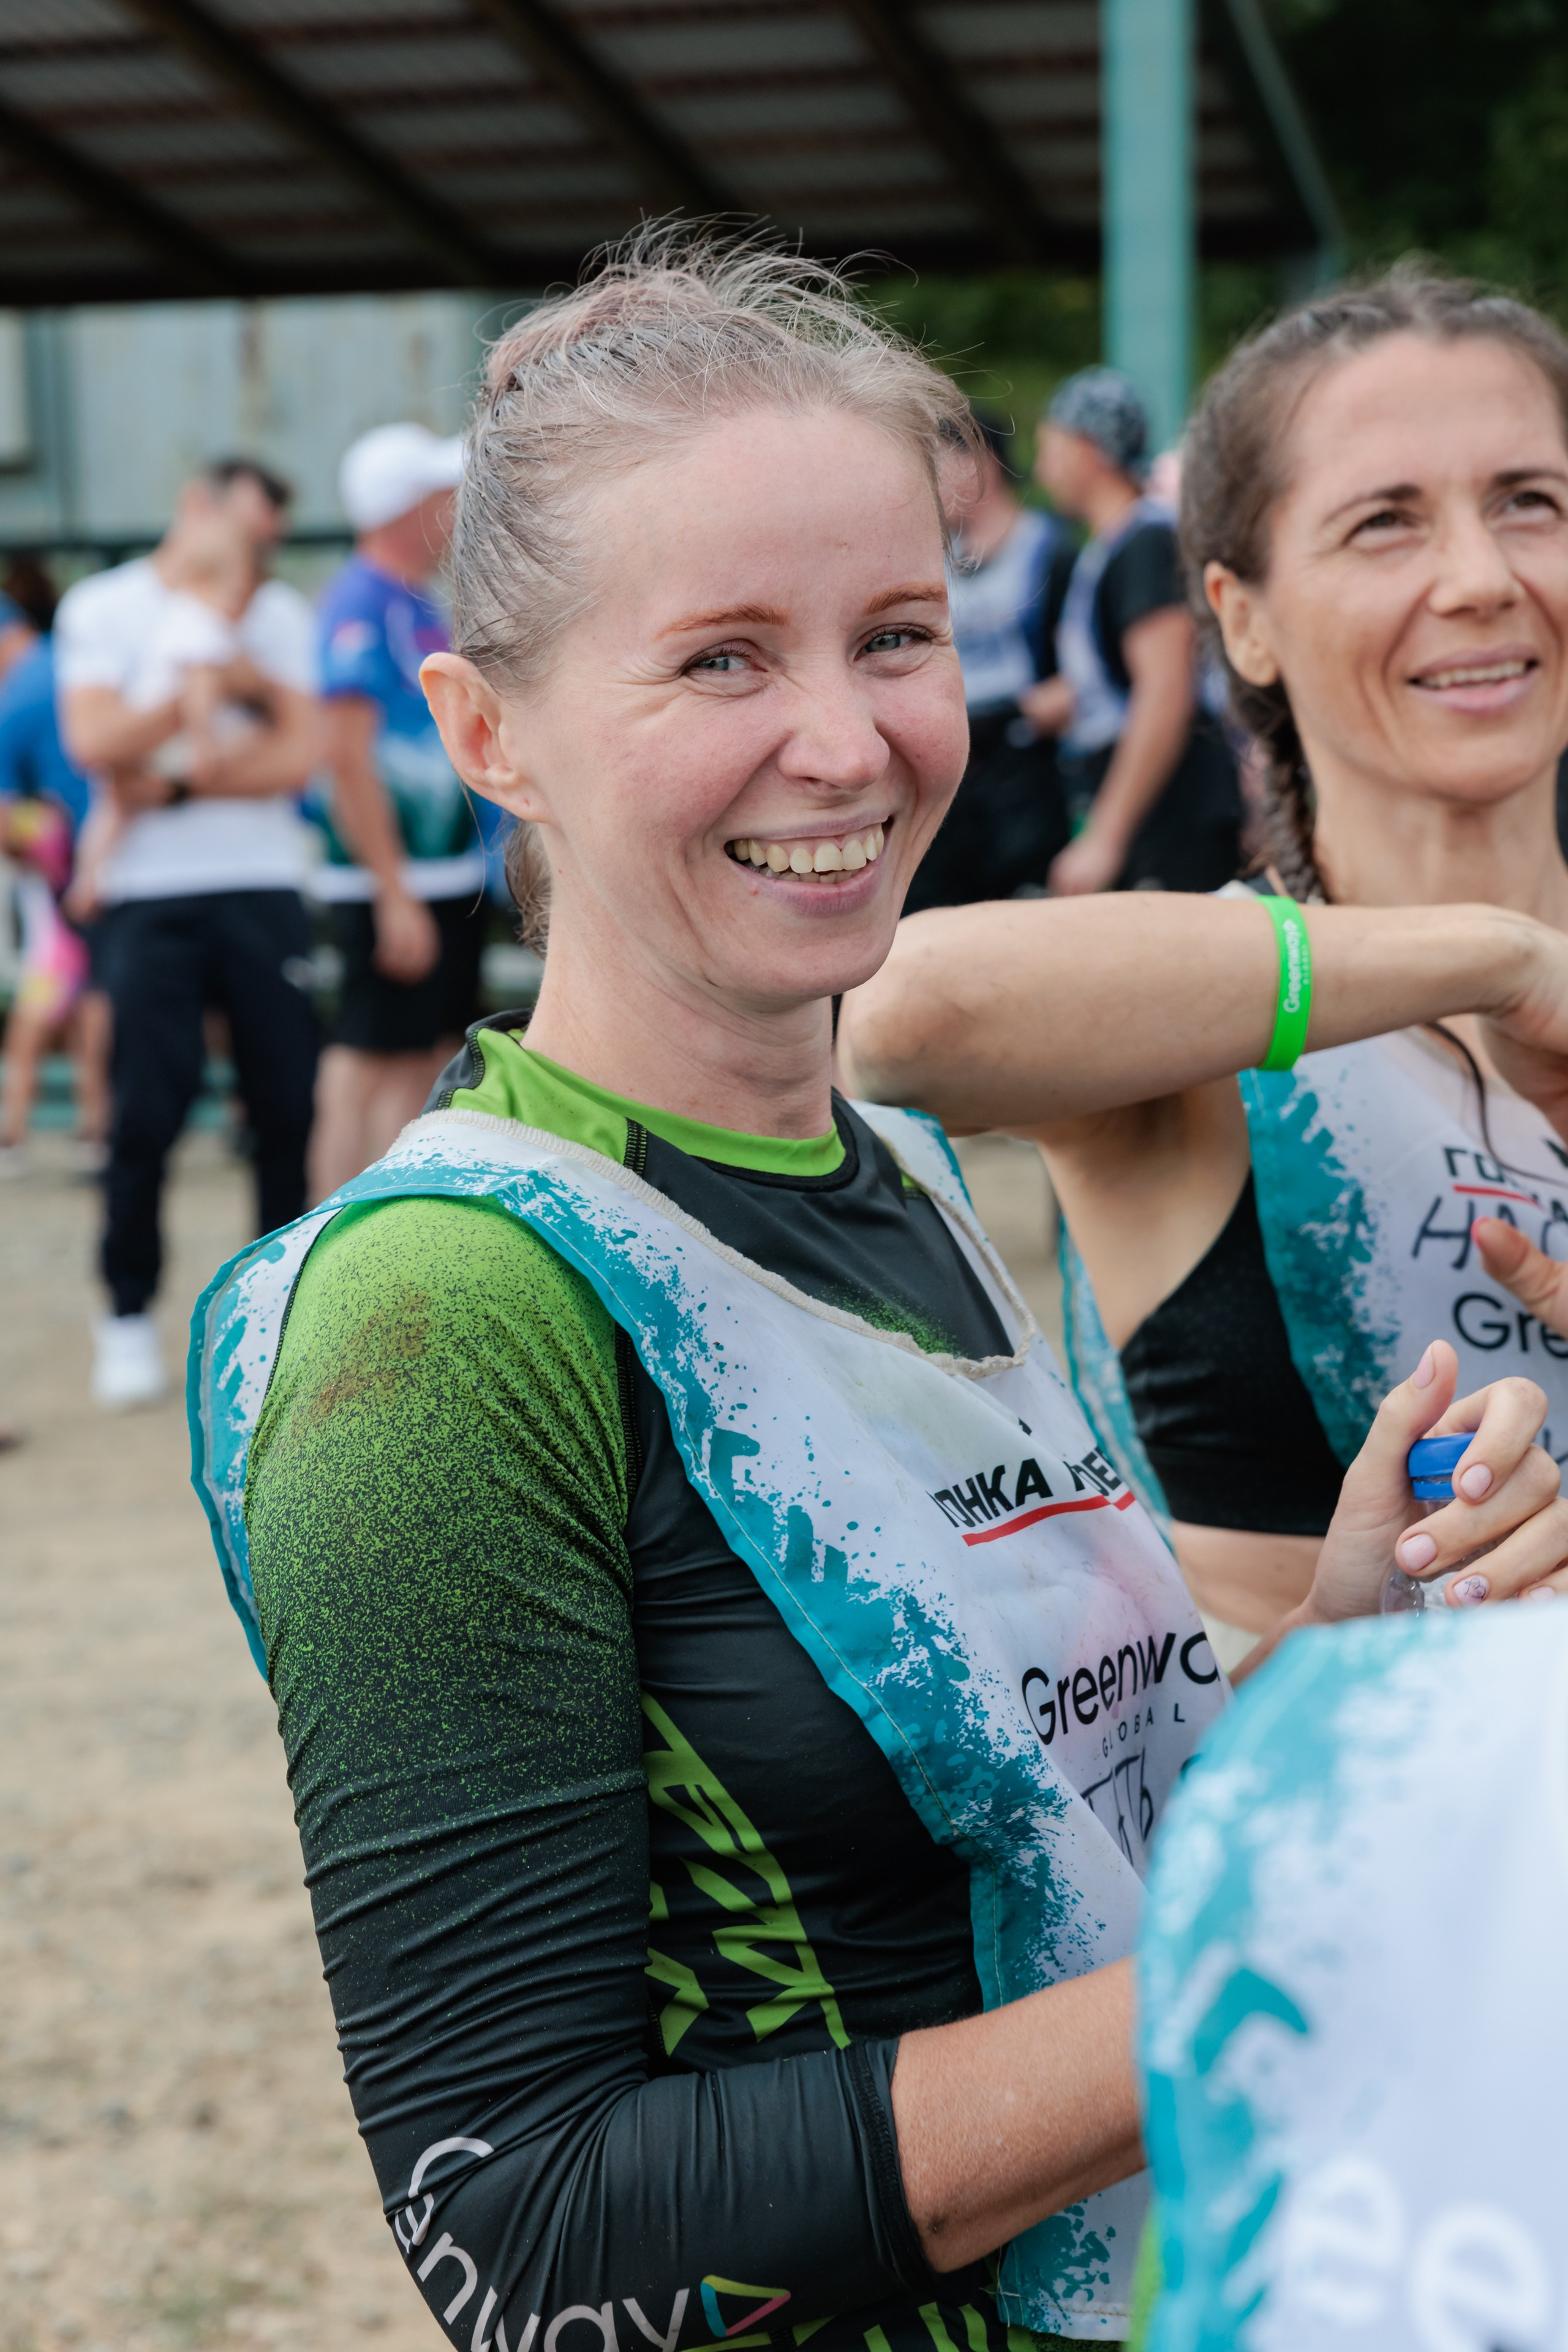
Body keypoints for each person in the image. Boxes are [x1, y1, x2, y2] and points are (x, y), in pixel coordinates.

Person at [187, 236, 1568, 2352]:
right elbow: (530, 2236)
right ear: (486, 730)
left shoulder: (900, 1174)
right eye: (721, 660)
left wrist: (1350, 1651)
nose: (844, 742)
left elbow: (1062, 1843)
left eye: (897, 636)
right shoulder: (440, 1320)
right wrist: (1340, 1914)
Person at [838, 270, 1568, 1668]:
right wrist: (1496, 959)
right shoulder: (1188, 1012)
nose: (1478, 578)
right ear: (1240, 617)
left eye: (1527, 501)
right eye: (1383, 521)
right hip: (1303, 1846)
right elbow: (900, 1015)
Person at [56, 456, 321, 1411]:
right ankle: (127, 1311)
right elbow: (93, 746)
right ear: (195, 510)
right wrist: (209, 683)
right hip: (147, 895)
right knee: (144, 1112)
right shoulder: (103, 607)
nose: (258, 551)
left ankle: (285, 1320)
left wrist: (164, 777)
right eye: (247, 527)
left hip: (259, 884)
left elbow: (301, 755)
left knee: (287, 1106)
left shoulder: (281, 615)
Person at [306, 421, 491, 1198]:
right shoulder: (358, 604)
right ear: (403, 508)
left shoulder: (412, 602)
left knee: (422, 1056)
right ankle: (330, 1245)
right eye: (441, 496)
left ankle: (380, 1235)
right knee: (367, 1062)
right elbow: (345, 758)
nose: (455, 511)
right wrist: (392, 890)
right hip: (393, 883)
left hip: (439, 875)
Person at [1026, 368, 1243, 897]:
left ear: (1089, 449)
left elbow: (1166, 691)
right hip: (1153, 801)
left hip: (1173, 811)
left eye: (1050, 446)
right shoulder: (1116, 542)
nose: (1040, 467)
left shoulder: (1145, 542)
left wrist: (1105, 836)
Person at [902, 414, 1075, 911]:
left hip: (1025, 771)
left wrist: (1049, 700)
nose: (928, 485)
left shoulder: (1049, 550)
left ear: (980, 464)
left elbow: (1092, 670)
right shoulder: (932, 560)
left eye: (937, 466)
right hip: (951, 769)